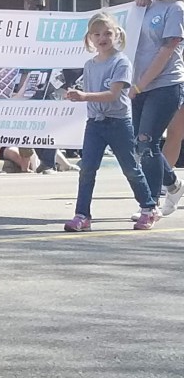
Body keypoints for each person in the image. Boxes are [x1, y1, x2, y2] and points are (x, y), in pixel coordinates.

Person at [63, 13, 158, 231]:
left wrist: (84, 96)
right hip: (95, 123)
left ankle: (148, 208)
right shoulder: (90, 65)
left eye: (107, 33)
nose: (102, 38)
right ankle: (82, 215)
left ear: (116, 35)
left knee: (130, 168)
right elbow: (89, 93)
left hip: (118, 122)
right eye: (96, 34)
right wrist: (77, 96)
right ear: (90, 38)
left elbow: (114, 94)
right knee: (87, 168)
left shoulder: (121, 62)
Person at [130, 0, 184, 219]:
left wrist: (140, 85)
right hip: (139, 85)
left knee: (147, 141)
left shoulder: (176, 9)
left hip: (165, 85)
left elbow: (165, 52)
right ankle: (173, 184)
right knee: (139, 145)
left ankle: (149, 205)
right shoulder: (144, 7)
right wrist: (139, 8)